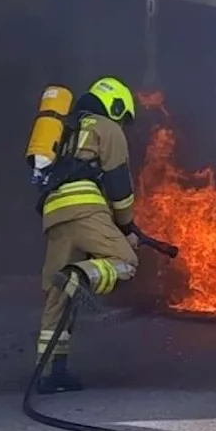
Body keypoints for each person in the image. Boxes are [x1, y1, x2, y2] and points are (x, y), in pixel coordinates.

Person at [35, 77, 141, 394]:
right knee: (125, 260)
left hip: (54, 212)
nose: (123, 123)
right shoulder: (108, 128)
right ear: (116, 105)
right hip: (84, 206)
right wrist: (126, 227)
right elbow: (119, 186)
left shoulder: (66, 130)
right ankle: (78, 275)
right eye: (123, 116)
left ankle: (50, 373)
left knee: (57, 297)